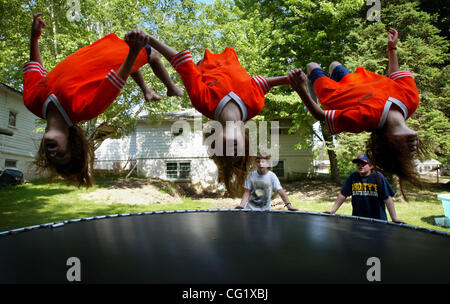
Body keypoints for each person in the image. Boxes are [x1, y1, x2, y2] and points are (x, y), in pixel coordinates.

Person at [23, 13, 182, 187]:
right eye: (61, 155)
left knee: (129, 64)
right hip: (117, 58)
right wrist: (134, 51)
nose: (52, 154)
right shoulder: (84, 109)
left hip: (100, 48)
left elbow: (35, 69)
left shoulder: (32, 101)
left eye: (50, 156)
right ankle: (171, 88)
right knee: (153, 55)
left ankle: (147, 91)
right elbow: (119, 77)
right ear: (72, 145)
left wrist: (34, 37)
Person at [146, 34, 292, 197]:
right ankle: (172, 89)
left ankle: (172, 88)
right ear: (245, 138)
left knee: (189, 70)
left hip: (204, 65)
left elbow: (182, 62)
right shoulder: (255, 105)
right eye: (239, 153)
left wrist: (150, 39)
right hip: (231, 56)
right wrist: (287, 80)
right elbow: (260, 83)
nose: (233, 152)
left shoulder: (203, 102)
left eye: (227, 153)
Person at [288, 29, 422, 198]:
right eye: (413, 152)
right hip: (355, 79)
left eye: (404, 151)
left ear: (388, 141)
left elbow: (321, 116)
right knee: (334, 64)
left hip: (333, 93)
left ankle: (313, 90)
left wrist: (301, 90)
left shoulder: (363, 119)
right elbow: (395, 75)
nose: (413, 149)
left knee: (312, 66)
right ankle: (331, 71)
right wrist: (392, 48)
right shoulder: (411, 100)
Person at [324, 153, 405, 223]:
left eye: (363, 163)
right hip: (358, 220)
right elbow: (343, 194)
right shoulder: (353, 177)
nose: (360, 166)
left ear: (371, 166)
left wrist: (394, 218)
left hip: (378, 221)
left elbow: (387, 198)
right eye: (358, 164)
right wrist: (333, 210)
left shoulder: (378, 177)